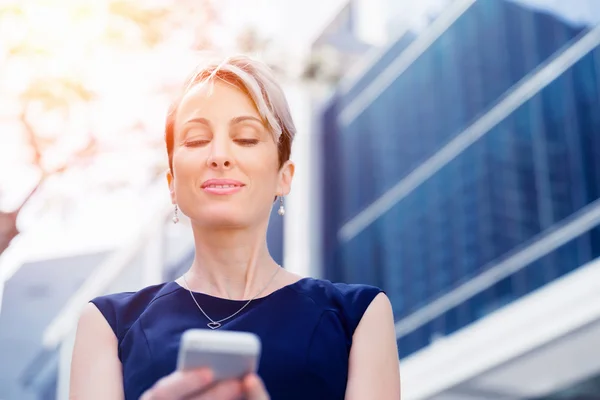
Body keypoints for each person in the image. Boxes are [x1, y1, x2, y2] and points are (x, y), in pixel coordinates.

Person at [69, 54, 401, 400]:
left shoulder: (357, 315)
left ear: (283, 176)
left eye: (245, 138)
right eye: (196, 140)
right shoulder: (109, 323)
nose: (219, 155)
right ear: (172, 183)